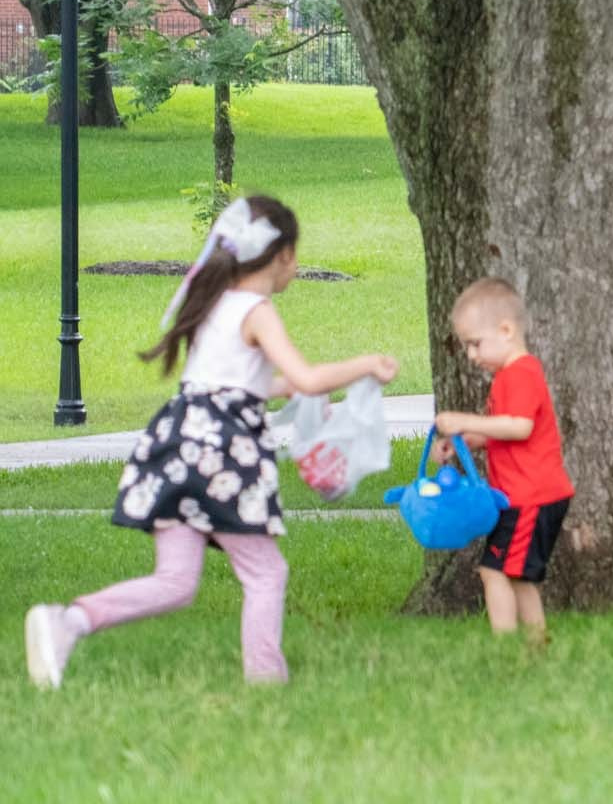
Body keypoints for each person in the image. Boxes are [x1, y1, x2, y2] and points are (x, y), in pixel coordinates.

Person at [24, 196, 400, 688]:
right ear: (284, 255)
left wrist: (294, 391)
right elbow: (306, 377)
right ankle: (265, 681)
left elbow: (237, 384)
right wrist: (367, 365)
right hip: (222, 456)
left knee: (176, 581)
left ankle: (68, 622)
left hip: (178, 447)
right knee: (265, 573)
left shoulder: (214, 304)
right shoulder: (257, 310)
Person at [432, 278, 574, 645]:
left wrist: (464, 420)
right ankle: (536, 644)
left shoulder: (521, 373)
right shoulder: (507, 377)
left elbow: (520, 426)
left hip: (531, 496)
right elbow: (503, 430)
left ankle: (506, 648)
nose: (471, 355)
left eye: (475, 344)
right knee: (517, 577)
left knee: (494, 572)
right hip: (524, 495)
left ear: (506, 331)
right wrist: (466, 441)